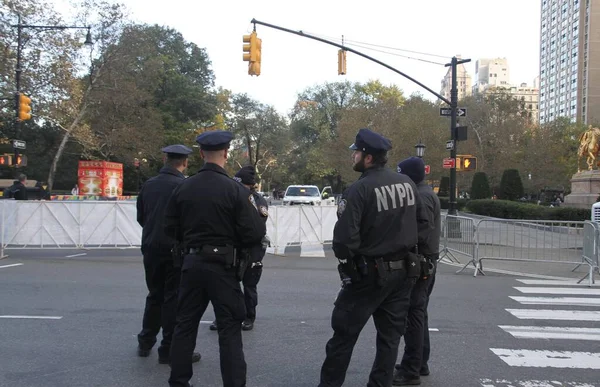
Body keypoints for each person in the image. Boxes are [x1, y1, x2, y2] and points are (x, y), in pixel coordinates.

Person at [319, 128, 420, 387]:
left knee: (343, 337)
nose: (353, 155)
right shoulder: (407, 183)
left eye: (356, 152)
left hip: (369, 275)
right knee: (389, 339)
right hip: (402, 272)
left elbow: (343, 240)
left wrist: (349, 266)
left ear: (368, 157)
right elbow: (417, 223)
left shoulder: (360, 189)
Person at [165, 130, 266, 387]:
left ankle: (178, 381)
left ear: (200, 154)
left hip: (191, 263)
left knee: (185, 325)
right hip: (224, 266)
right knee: (229, 330)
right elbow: (254, 232)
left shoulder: (183, 187)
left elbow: (169, 229)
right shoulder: (235, 191)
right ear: (226, 153)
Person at [135, 144, 201, 365]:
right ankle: (169, 348)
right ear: (184, 162)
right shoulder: (184, 186)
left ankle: (145, 342)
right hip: (175, 248)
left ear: (165, 160)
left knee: (154, 294)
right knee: (173, 298)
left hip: (151, 246)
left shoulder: (149, 185)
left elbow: (141, 217)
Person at [393, 157, 441, 386]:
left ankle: (411, 369)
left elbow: (419, 233)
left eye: (401, 174)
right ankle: (419, 362)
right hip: (426, 261)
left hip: (419, 263)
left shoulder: (420, 196)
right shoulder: (425, 192)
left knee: (413, 315)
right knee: (419, 313)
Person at [209, 165, 269, 332]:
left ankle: (249, 317)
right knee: (226, 284)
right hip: (232, 247)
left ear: (249, 185)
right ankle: (223, 316)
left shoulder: (258, 201)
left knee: (249, 285)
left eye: (239, 183)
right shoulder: (230, 196)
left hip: (252, 248)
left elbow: (258, 226)